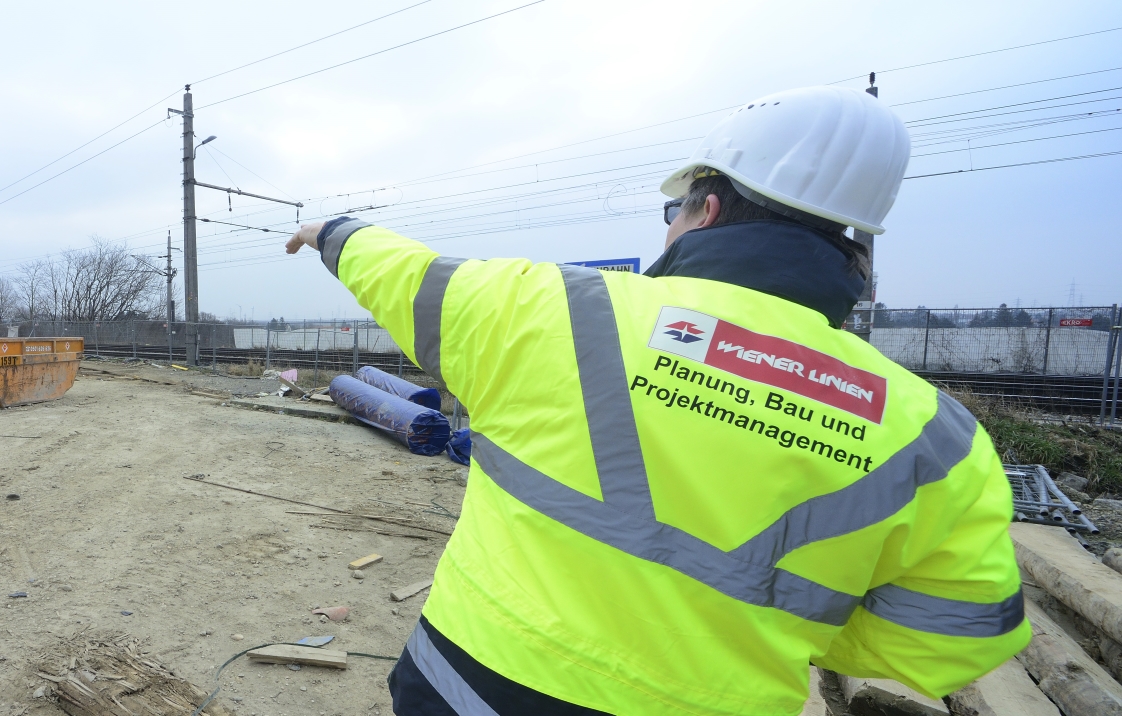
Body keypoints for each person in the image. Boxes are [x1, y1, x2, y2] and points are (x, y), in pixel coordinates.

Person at [284, 86, 1024, 715]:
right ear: (854, 253)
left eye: (670, 208)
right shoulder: (937, 437)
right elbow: (958, 637)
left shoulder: (554, 310)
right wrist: (784, 621)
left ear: (704, 209)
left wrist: (330, 230)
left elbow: (405, 273)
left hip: (469, 689)